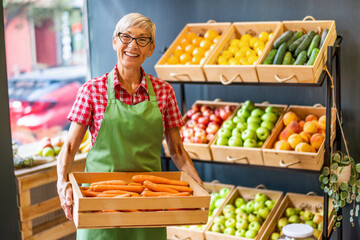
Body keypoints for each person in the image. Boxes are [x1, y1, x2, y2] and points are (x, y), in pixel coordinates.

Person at [56, 13, 203, 240]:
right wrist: (62, 184)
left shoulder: (164, 92)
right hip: (100, 203)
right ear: (115, 41)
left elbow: (177, 151)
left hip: (149, 203)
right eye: (126, 37)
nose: (132, 45)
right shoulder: (92, 91)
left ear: (150, 48)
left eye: (142, 39)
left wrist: (198, 187)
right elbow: (69, 148)